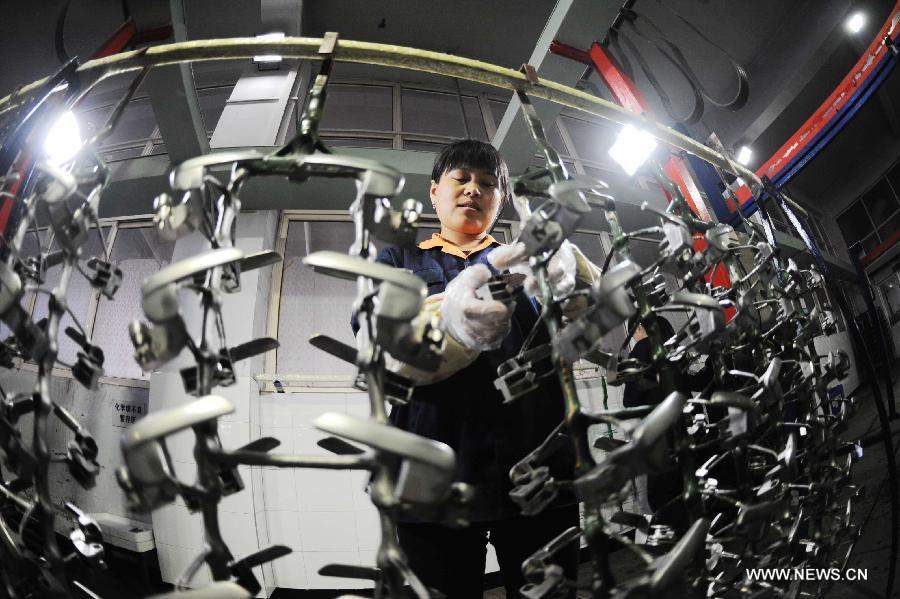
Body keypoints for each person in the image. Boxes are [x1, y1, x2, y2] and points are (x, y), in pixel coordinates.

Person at [362, 139, 598, 598]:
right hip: (431, 482)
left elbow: (598, 337)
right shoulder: (398, 261)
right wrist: (453, 325)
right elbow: (381, 348)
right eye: (461, 178)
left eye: (487, 184)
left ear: (501, 201)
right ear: (434, 192)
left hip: (540, 472)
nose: (473, 190)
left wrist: (580, 284)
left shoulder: (534, 264)